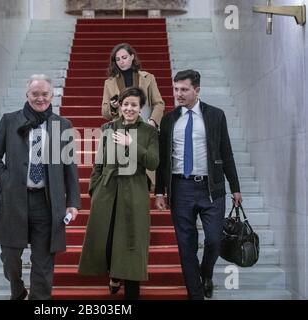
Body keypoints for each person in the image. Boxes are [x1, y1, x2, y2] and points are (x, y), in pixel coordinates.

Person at [0, 74, 81, 300]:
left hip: (47, 203)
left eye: (45, 94)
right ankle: (18, 291)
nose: (40, 99)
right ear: (27, 95)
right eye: (35, 94)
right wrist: (5, 181)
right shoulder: (10, 120)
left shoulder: (62, 125)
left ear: (52, 95)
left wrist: (73, 203)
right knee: (10, 257)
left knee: (43, 263)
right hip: (15, 199)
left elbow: (70, 167)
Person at [155, 69, 242, 300]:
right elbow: (163, 159)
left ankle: (206, 273)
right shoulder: (169, 120)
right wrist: (159, 192)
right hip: (180, 188)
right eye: (176, 89)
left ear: (197, 90)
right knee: (186, 245)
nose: (179, 94)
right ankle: (196, 294)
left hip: (210, 188)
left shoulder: (216, 116)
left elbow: (227, 153)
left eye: (184, 89)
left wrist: (235, 187)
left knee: (214, 239)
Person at [78, 87, 159, 300]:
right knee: (109, 237)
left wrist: (131, 144)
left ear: (141, 108)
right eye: (126, 104)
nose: (129, 108)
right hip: (107, 192)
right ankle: (114, 275)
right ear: (120, 106)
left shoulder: (149, 132)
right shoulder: (108, 128)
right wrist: (94, 188)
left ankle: (132, 292)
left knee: (132, 242)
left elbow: (153, 161)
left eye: (134, 105)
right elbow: (99, 162)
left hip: (135, 192)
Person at [101, 43, 165, 129]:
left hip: (144, 126)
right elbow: (105, 114)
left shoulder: (148, 78)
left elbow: (159, 104)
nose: (121, 62)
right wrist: (113, 107)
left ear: (132, 57)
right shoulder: (109, 83)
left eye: (124, 57)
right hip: (121, 129)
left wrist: (153, 121)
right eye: (118, 59)